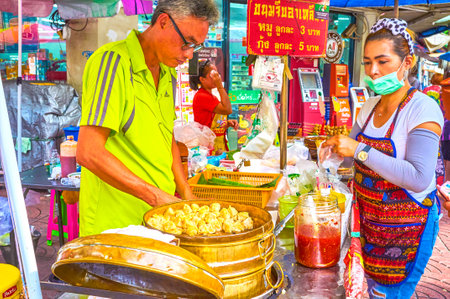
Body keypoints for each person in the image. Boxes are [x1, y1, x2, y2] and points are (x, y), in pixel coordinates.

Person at [76, 0, 219, 236]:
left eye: (196, 46)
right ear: (163, 21)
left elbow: (166, 136)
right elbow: (88, 152)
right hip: (114, 226)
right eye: (187, 43)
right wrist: (157, 197)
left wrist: (186, 194)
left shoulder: (167, 73)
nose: (189, 54)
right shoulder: (112, 63)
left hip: (157, 221)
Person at [323, 18, 443, 298]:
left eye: (382, 61)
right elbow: (349, 162)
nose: (373, 72)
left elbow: (418, 177)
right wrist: (330, 153)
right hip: (370, 227)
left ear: (407, 62)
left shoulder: (422, 109)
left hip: (408, 230)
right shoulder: (368, 107)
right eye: (366, 63)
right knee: (376, 292)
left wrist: (358, 150)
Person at [191, 60, 238, 154]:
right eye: (212, 74)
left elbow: (209, 120)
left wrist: (225, 124)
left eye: (217, 73)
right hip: (209, 147)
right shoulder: (202, 96)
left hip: (218, 144)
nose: (217, 77)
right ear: (202, 79)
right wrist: (219, 85)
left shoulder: (210, 96)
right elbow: (227, 109)